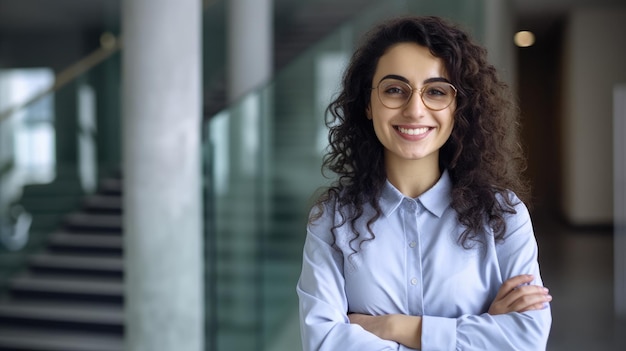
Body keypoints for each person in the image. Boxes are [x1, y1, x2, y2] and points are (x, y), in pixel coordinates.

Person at [296, 15, 552, 350]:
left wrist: (392, 327)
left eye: (435, 91)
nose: (415, 110)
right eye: (394, 90)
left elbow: (525, 340)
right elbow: (323, 342)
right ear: (368, 105)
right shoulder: (332, 220)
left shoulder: (503, 215)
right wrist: (479, 330)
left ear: (457, 106)